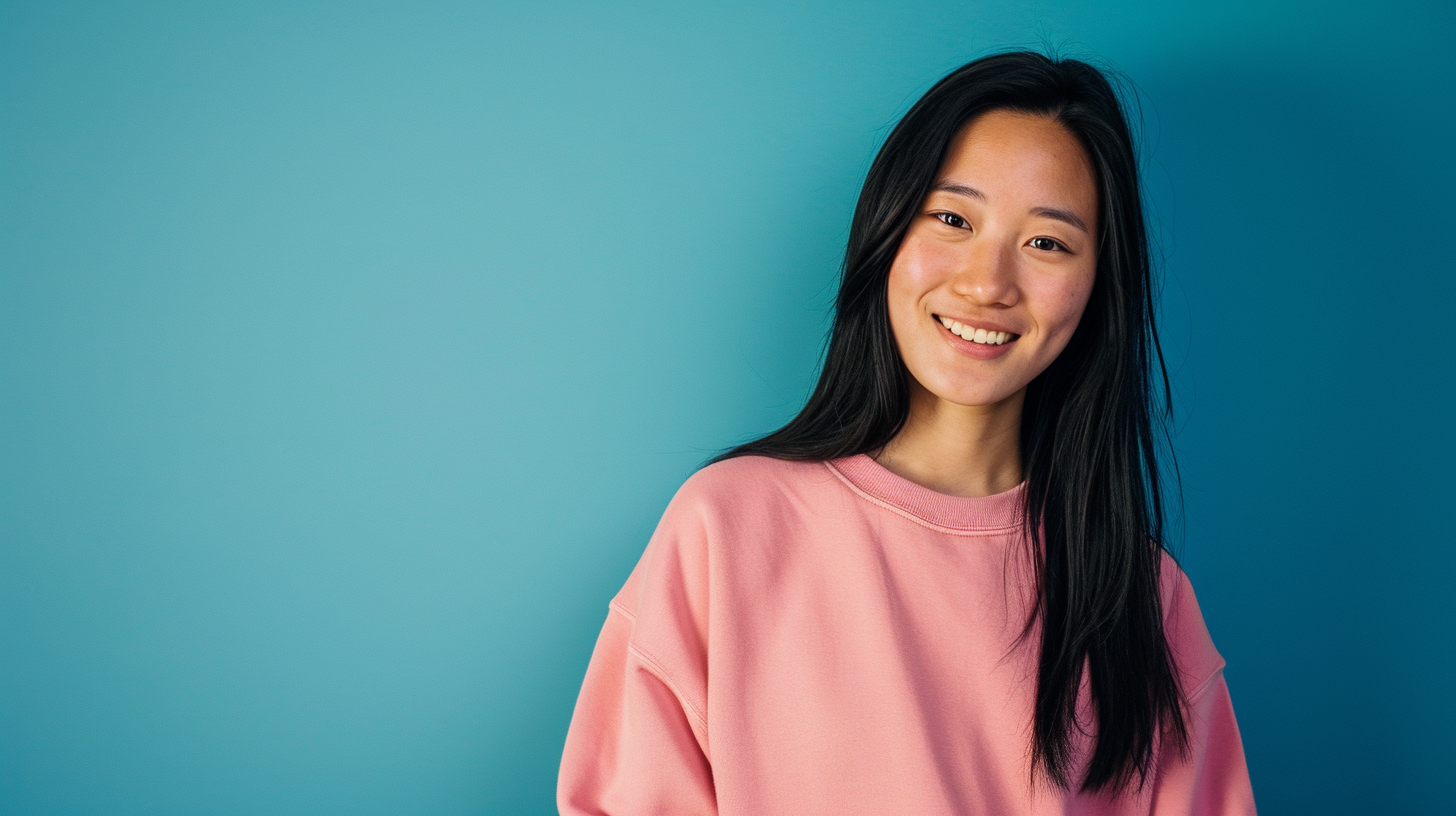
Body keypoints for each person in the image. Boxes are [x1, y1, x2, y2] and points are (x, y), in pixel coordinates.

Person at [556, 50, 1257, 815]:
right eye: (953, 219)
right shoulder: (725, 529)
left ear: (1098, 288)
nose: (988, 283)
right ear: (887, 231)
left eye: (1048, 243)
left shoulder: (1144, 597)